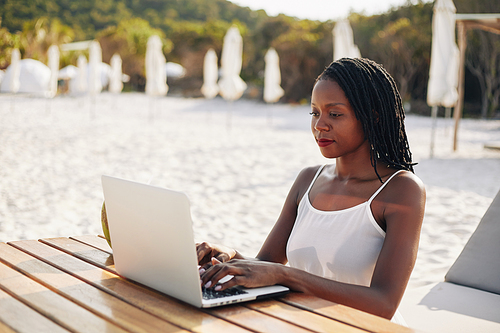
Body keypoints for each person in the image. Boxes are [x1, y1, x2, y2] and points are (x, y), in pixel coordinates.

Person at [197, 57, 426, 325]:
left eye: (335, 114)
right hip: (302, 324)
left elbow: (383, 304)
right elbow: (266, 264)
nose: (320, 125)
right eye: (315, 112)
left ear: (373, 117)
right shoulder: (308, 180)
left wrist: (287, 276)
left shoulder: (401, 190)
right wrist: (228, 254)